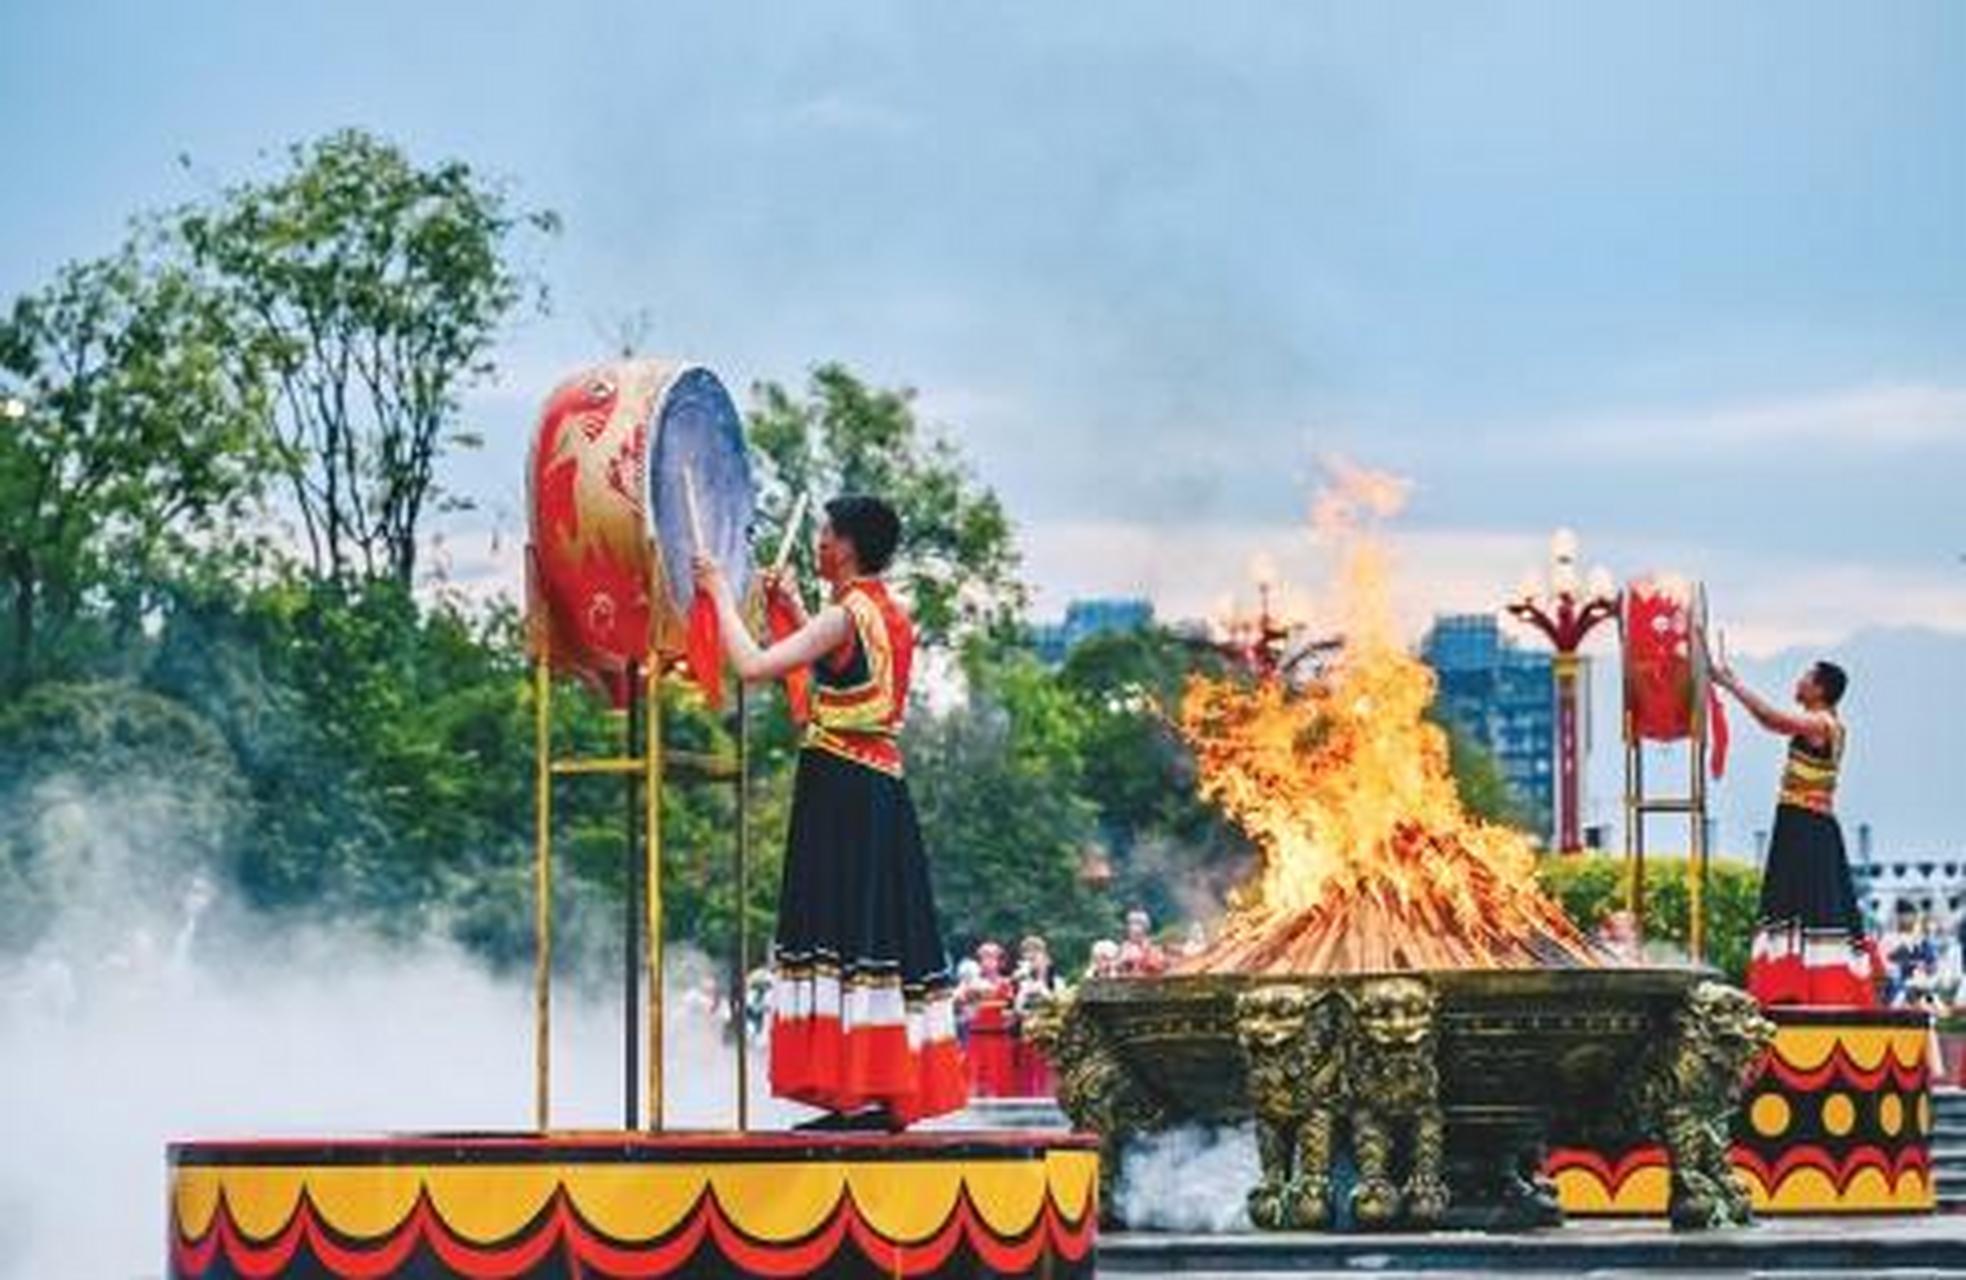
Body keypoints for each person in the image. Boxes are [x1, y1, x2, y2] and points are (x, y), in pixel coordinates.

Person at [694, 494, 966, 1130]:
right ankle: (873, 1086)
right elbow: (832, 682)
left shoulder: (845, 615)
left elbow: (754, 665)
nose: (816, 543)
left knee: (844, 929)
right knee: (870, 931)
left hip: (843, 787)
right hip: (879, 788)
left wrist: (717, 594)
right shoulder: (887, 615)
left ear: (844, 546)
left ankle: (860, 1086)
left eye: (823, 534)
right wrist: (789, 608)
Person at [1712, 658, 1876, 1006]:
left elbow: (1772, 720)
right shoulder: (1820, 723)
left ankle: (1810, 991)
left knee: (1808, 907)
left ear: (1819, 690)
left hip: (1808, 828)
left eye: (1805, 677)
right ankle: (1796, 988)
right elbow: (1770, 721)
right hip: (1801, 824)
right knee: (1797, 906)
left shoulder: (1821, 723)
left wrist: (1731, 684)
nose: (1798, 682)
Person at [959, 941, 1018, 1098]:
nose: (988, 962)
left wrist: (1010, 1016)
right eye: (984, 958)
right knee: (975, 1083)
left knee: (1001, 1085)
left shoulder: (1008, 984)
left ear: (999, 961)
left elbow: (1013, 1012)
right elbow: (964, 1010)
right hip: (978, 1039)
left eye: (992, 957)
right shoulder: (970, 984)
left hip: (1000, 1040)